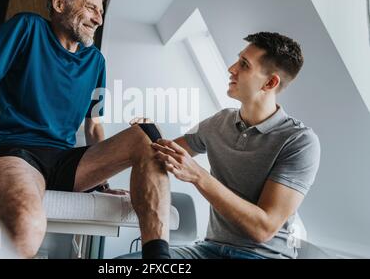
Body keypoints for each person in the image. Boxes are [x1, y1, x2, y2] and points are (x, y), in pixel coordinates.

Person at [0, 0, 172, 259]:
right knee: (27, 221)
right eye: (91, 7)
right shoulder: (26, 28)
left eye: (100, 12)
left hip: (64, 161)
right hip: (10, 152)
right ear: (59, 3)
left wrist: (100, 181)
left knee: (147, 134)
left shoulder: (96, 61)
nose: (98, 19)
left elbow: (94, 126)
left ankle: (157, 259)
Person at [119, 32, 321, 259]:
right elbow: (164, 156)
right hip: (208, 250)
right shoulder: (219, 121)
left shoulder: (299, 141)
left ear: (270, 82)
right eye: (238, 59)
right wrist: (149, 133)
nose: (231, 68)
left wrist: (198, 176)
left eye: (244, 65)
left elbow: (263, 228)